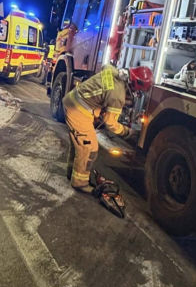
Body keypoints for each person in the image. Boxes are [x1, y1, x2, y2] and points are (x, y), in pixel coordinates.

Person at [63, 65, 153, 193]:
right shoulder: (117, 95)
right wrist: (128, 132)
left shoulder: (112, 71)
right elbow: (110, 123)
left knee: (79, 144)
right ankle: (80, 183)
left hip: (72, 101)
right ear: (135, 84)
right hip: (78, 110)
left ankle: (72, 172)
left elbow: (105, 68)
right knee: (89, 148)